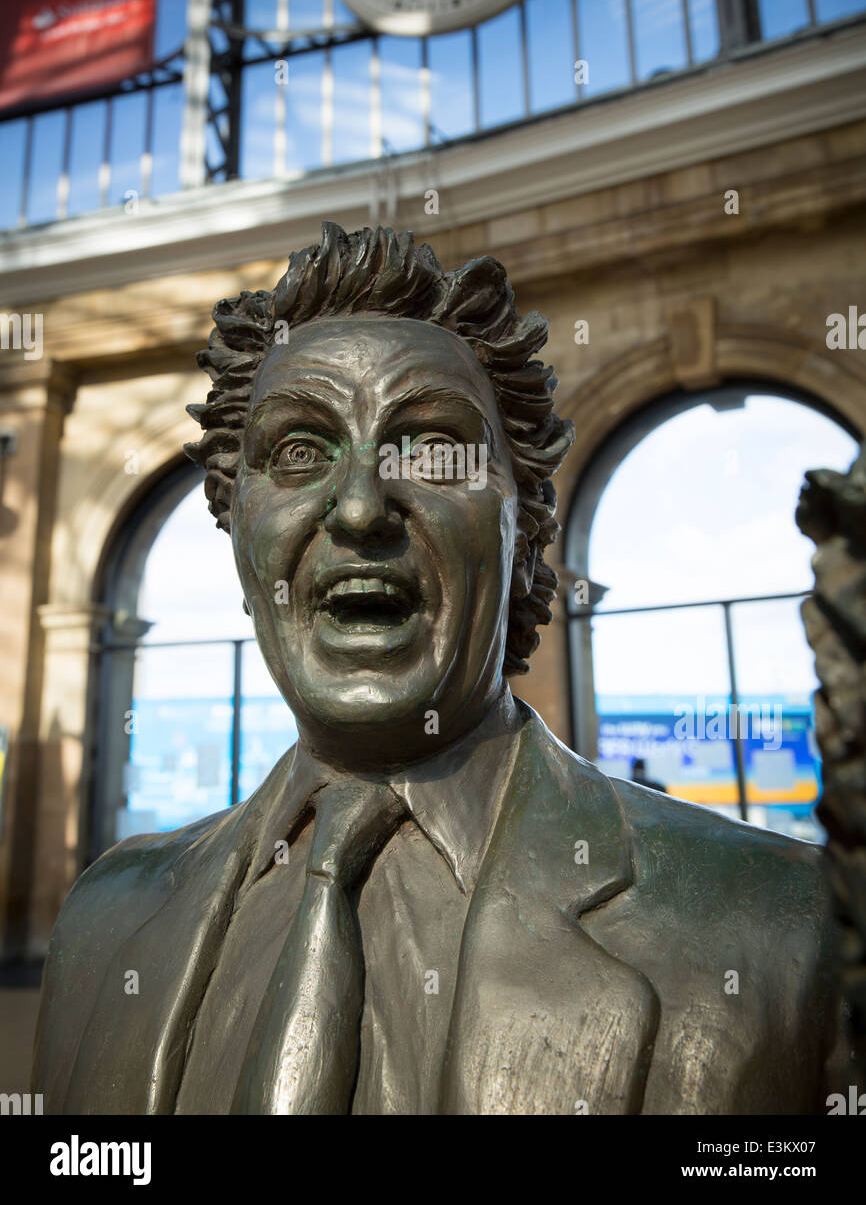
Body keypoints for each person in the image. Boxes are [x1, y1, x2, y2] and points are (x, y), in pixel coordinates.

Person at [33, 223, 841, 1114]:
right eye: (299, 451)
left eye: (430, 449)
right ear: (237, 530)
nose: (359, 508)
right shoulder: (105, 922)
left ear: (528, 529)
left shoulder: (780, 926)